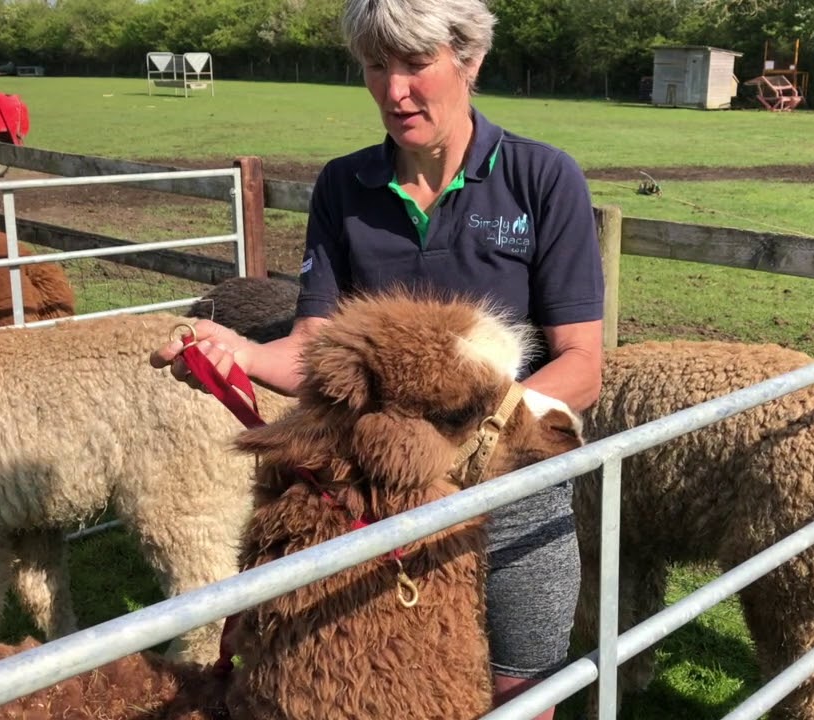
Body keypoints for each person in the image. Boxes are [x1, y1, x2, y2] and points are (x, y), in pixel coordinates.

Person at [151, 0, 604, 714]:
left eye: (415, 63)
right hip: (391, 502)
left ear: (469, 59)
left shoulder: (542, 180)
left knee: (522, 693)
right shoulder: (344, 187)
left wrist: (495, 434)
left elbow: (582, 361)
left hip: (513, 482)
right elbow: (313, 350)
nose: (394, 91)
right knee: (385, 683)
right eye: (375, 65)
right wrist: (235, 352)